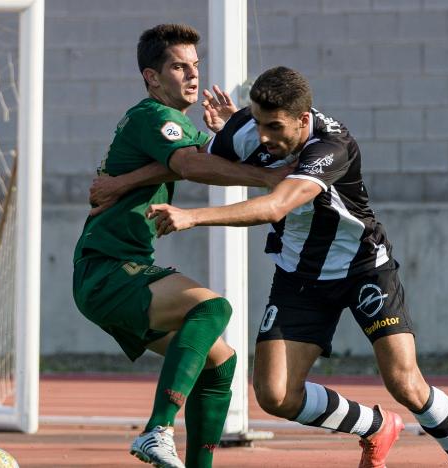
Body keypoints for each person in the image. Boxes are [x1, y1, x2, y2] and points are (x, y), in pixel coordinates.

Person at [100, 66, 448, 468]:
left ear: (303, 119)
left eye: (274, 127)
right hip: (299, 276)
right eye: (257, 123)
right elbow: (190, 162)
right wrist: (122, 182)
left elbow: (276, 205)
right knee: (275, 396)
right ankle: (374, 427)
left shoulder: (331, 146)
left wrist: (194, 216)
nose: (264, 138)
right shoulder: (250, 129)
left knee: (405, 383)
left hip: (362, 270)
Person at [71, 24, 287, 468]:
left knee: (220, 362)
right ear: (152, 77)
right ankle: (157, 429)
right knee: (212, 309)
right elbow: (188, 163)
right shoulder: (154, 115)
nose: (192, 76)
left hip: (116, 273)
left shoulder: (168, 124)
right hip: (108, 270)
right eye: (178, 67)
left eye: (195, 66)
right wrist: (267, 180)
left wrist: (231, 129)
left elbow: (190, 160)